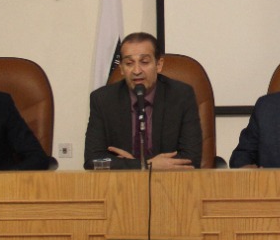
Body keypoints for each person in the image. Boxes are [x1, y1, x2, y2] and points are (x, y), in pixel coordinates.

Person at [83, 32, 202, 169]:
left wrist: (126, 164)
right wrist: (146, 165)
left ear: (158, 64)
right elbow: (92, 160)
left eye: (144, 62)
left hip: (170, 181)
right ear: (121, 68)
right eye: (129, 63)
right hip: (121, 182)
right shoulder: (103, 100)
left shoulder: (181, 96)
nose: (137, 70)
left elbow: (191, 158)